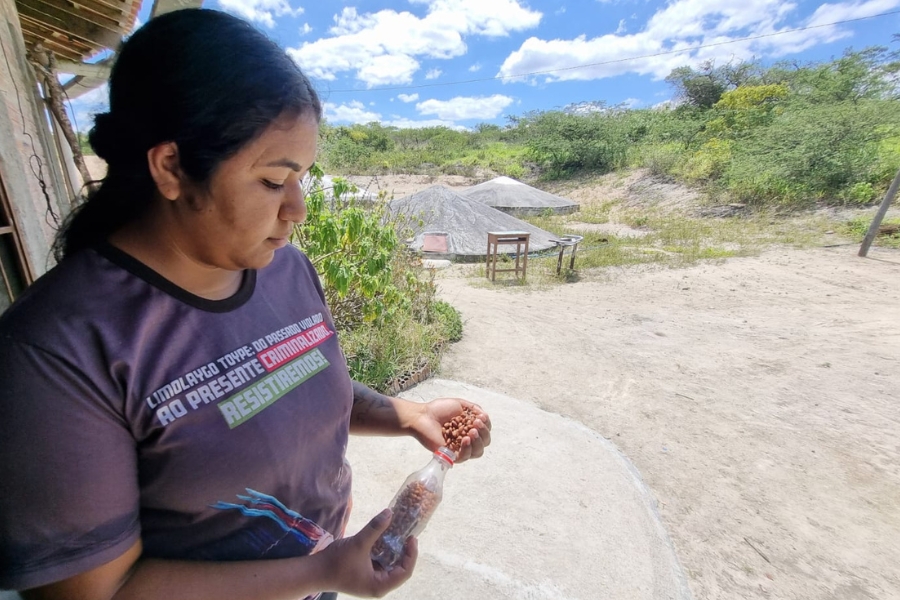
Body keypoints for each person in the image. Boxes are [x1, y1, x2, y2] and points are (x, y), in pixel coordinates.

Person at [0, 9, 491, 600]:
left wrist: (405, 414)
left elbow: (294, 382)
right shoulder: (55, 352)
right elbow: (95, 592)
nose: (298, 208)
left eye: (303, 176)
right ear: (172, 167)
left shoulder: (284, 269)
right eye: (272, 180)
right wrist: (322, 572)